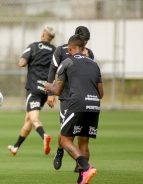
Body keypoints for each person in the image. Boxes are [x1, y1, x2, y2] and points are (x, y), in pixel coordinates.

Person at [45, 34, 103, 184]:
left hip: (77, 103)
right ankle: (82, 179)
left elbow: (57, 90)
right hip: (94, 105)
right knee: (83, 142)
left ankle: (86, 167)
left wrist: (48, 87)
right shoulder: (94, 64)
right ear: (84, 48)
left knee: (65, 140)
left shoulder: (67, 62)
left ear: (70, 48)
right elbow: (101, 93)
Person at [8, 26, 56, 156]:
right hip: (46, 90)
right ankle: (15, 147)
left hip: (33, 89)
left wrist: (24, 60)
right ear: (52, 38)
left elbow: (22, 63)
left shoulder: (34, 46)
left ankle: (44, 135)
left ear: (42, 34)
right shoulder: (55, 51)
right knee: (28, 119)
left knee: (34, 118)